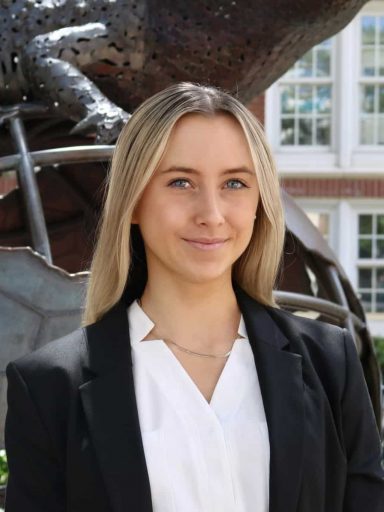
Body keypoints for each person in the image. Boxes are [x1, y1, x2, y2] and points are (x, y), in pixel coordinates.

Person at [4, 82, 384, 512]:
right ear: (132, 201)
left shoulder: (330, 363)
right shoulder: (49, 386)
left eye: (235, 183)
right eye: (181, 181)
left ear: (260, 202)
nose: (211, 214)